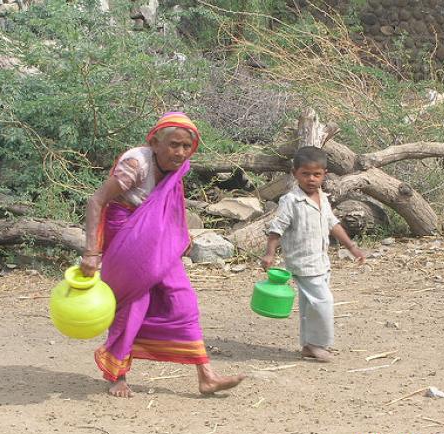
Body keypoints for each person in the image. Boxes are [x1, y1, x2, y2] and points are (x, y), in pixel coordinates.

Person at [80, 112, 245, 397]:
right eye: (173, 144)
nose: (180, 152)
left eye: (185, 147)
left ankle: (206, 375)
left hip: (158, 241)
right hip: (126, 237)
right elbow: (96, 200)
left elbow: (171, 201)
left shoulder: (178, 166)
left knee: (183, 301)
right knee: (133, 304)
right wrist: (91, 252)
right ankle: (117, 374)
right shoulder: (135, 164)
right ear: (155, 142)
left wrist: (182, 233)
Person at [261, 146, 365, 363]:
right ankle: (318, 345)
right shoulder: (290, 201)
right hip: (303, 261)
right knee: (323, 301)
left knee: (310, 304)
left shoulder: (322, 197)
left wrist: (351, 246)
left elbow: (332, 224)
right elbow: (277, 228)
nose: (311, 179)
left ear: (324, 174)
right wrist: (270, 254)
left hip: (321, 260)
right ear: (294, 173)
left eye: (316, 174)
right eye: (305, 174)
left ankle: (308, 345)